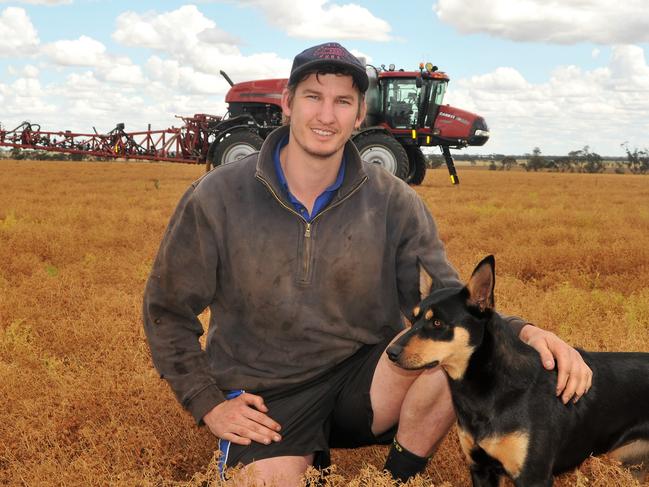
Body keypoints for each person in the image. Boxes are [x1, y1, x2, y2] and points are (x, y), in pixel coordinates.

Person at [142, 42, 592, 486]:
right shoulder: (218, 195)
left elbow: (451, 302)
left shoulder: (394, 199)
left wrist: (526, 331)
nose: (326, 115)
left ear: (360, 115)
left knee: (453, 356)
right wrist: (210, 404)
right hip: (267, 393)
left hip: (367, 379)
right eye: (313, 97)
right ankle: (299, 451)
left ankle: (396, 479)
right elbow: (167, 310)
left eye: (343, 102)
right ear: (287, 104)